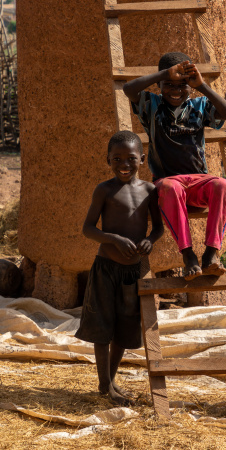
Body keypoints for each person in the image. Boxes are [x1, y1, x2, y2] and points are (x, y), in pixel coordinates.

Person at [123, 51, 226, 282]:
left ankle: (211, 254)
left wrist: (202, 86)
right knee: (170, 187)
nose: (176, 90)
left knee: (223, 185)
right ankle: (188, 255)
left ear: (190, 86)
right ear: (160, 84)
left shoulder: (200, 105)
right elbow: (128, 90)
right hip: (168, 183)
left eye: (182, 85)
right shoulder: (151, 105)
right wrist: (164, 73)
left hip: (197, 181)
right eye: (169, 85)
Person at [75, 130, 163, 405]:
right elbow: (88, 228)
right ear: (108, 161)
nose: (124, 165)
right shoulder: (104, 190)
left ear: (142, 159)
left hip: (133, 272)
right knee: (101, 327)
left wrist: (149, 240)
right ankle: (105, 385)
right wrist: (112, 238)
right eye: (117, 159)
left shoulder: (150, 191)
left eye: (131, 159)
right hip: (106, 267)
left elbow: (158, 227)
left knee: (125, 328)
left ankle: (110, 382)